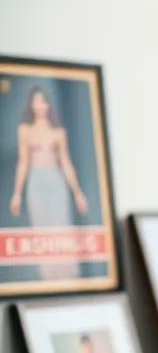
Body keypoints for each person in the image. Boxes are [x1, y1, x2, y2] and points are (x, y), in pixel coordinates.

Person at [8, 84, 88, 281]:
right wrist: (17, 194)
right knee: (41, 228)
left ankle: (67, 276)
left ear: (48, 104)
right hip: (36, 180)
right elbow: (23, 162)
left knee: (60, 226)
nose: (40, 105)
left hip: (56, 179)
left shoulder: (58, 131)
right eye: (36, 101)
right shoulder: (25, 130)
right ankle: (48, 276)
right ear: (31, 105)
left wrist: (77, 193)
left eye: (43, 101)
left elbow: (66, 162)